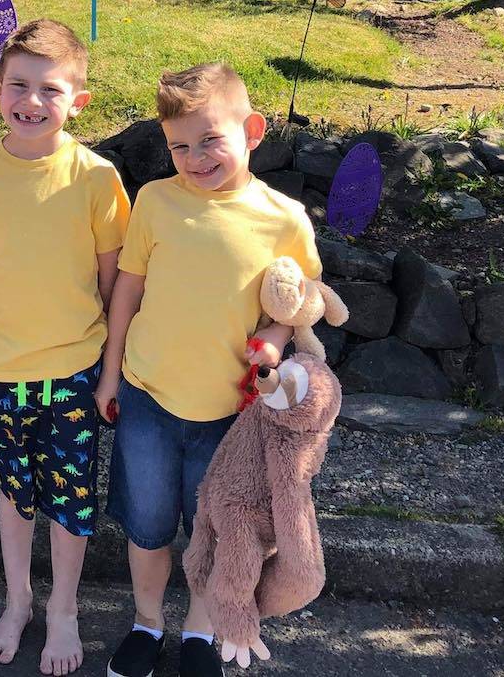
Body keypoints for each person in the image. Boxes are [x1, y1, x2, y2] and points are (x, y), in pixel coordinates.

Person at [95, 63, 322, 677]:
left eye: (209, 140)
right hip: (147, 398)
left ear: (252, 130)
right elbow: (126, 293)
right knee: (145, 525)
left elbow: (301, 299)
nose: (193, 158)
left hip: (232, 413)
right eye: (178, 146)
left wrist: (274, 339)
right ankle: (146, 621)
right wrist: (110, 374)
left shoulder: (284, 218)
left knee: (216, 532)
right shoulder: (156, 201)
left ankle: (201, 630)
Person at [0, 19, 129, 676]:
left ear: (77, 100)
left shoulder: (97, 177)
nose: (32, 101)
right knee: (14, 491)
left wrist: (100, 359)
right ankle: (19, 601)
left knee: (70, 496)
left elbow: (110, 279)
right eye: (18, 86)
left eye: (49, 89)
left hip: (74, 370)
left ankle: (64, 610)